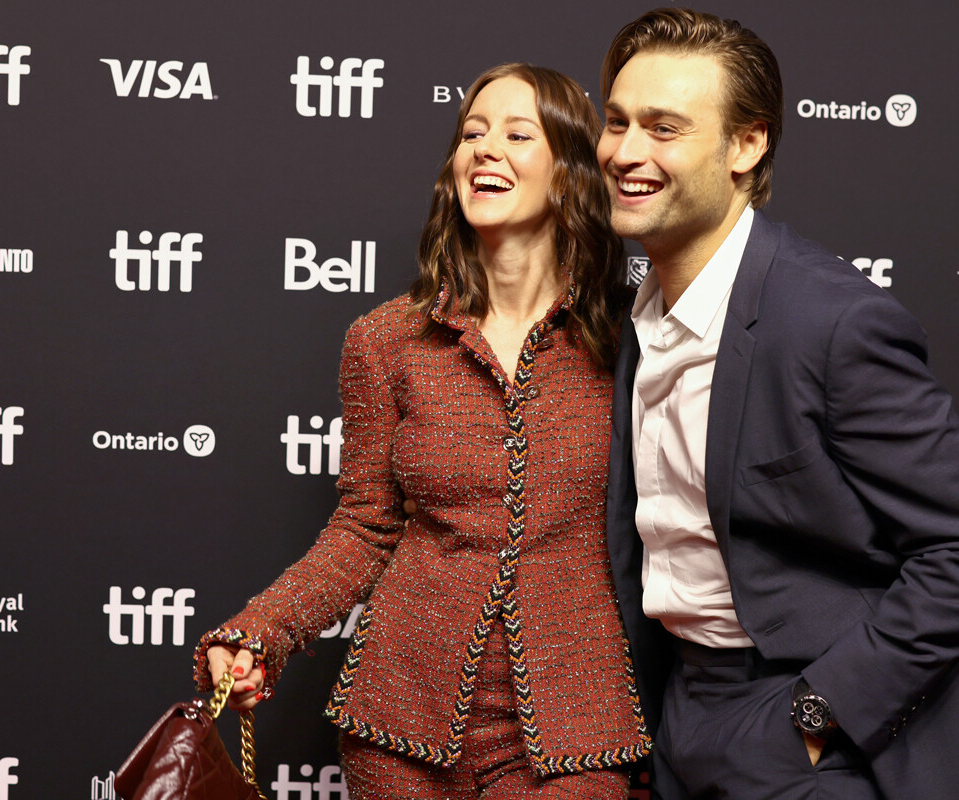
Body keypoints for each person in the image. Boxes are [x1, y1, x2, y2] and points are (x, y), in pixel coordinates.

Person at [598, 8, 959, 800]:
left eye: (664, 128)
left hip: (812, 726)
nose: (625, 152)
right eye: (617, 122)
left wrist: (814, 717)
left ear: (746, 144)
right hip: (679, 714)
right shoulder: (642, 314)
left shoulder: (830, 321)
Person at [193, 63, 652, 799]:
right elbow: (365, 525)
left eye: (515, 133)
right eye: (472, 133)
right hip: (401, 718)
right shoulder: (384, 342)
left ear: (569, 170)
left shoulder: (630, 339)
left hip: (576, 724)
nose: (484, 150)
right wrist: (260, 632)